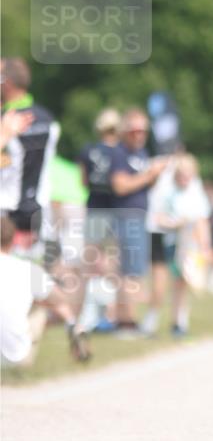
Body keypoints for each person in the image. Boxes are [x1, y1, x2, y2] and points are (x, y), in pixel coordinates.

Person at [109, 108, 170, 337]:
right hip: (127, 214)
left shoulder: (142, 153)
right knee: (131, 271)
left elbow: (144, 186)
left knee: (133, 270)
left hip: (139, 214)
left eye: (143, 131)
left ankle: (125, 320)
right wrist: (149, 174)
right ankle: (126, 322)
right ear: (125, 131)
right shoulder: (120, 153)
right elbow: (120, 185)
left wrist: (155, 176)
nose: (139, 135)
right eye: (135, 130)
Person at [0, 214, 90, 366]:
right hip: (14, 358)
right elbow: (61, 299)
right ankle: (73, 326)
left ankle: (73, 326)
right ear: (12, 240)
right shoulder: (27, 270)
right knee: (43, 306)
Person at [142, 154, 212, 338]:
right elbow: (155, 217)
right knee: (159, 283)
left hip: (185, 243)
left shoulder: (195, 190)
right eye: (182, 175)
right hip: (163, 238)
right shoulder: (164, 189)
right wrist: (174, 223)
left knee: (181, 283)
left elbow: (201, 219)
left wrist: (205, 247)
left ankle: (179, 321)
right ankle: (151, 320)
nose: (185, 179)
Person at [0, 57, 60, 249]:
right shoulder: (49, 119)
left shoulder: (5, 121)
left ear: (7, 84)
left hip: (6, 215)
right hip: (40, 212)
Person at [77, 108, 122, 330]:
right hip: (115, 209)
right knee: (112, 263)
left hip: (94, 207)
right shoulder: (121, 152)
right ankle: (110, 314)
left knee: (91, 263)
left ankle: (88, 313)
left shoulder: (88, 150)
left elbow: (83, 181)